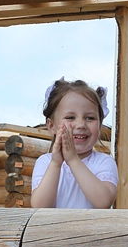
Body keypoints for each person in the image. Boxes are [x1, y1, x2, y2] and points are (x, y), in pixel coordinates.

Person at [31, 78, 118, 209]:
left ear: (100, 125)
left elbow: (103, 202)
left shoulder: (103, 162)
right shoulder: (45, 162)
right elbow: (40, 206)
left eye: (90, 118)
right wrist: (55, 164)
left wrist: (73, 160)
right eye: (70, 117)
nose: (81, 125)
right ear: (51, 126)